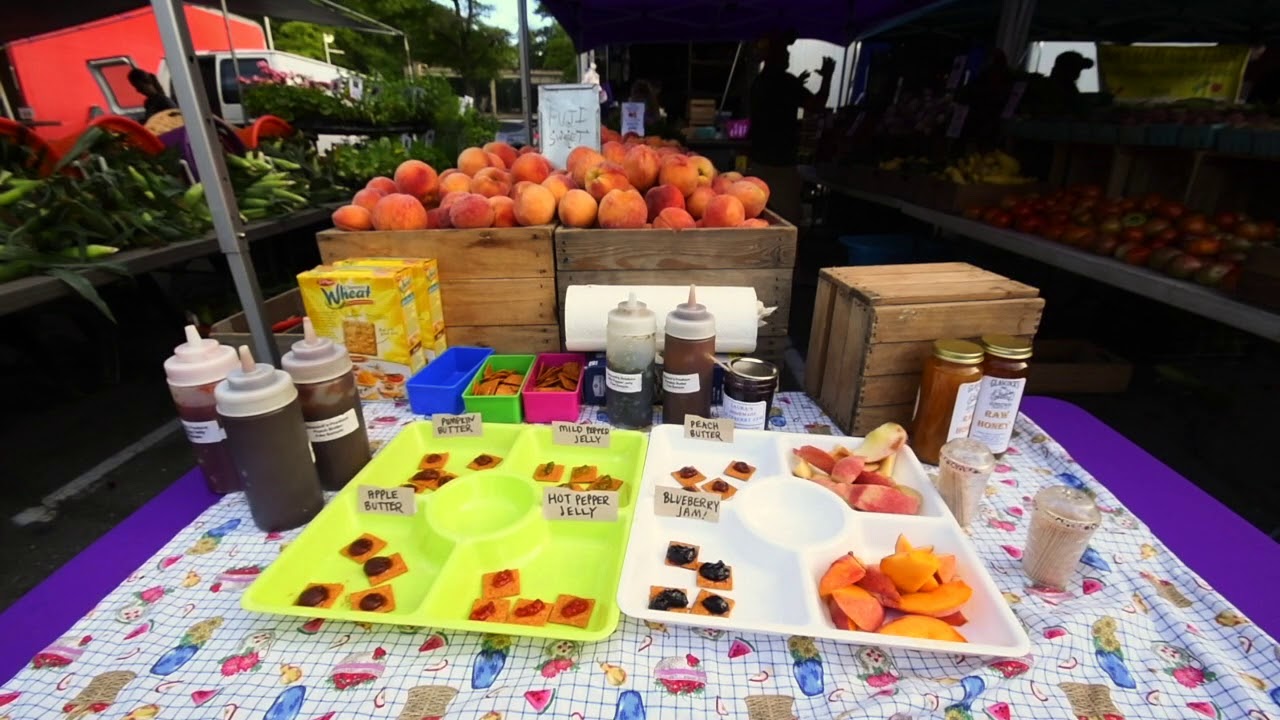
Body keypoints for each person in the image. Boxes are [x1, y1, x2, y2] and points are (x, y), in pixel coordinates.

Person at [747, 33, 835, 220]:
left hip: (758, 161)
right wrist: (827, 78)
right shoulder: (785, 81)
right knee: (786, 219)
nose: (788, 55)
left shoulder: (759, 82)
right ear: (772, 55)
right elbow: (817, 105)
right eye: (783, 50)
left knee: (760, 216)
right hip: (780, 164)